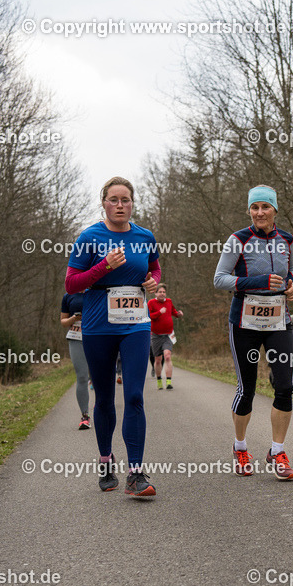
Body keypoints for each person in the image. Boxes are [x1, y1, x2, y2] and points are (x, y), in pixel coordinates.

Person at [65, 176, 160, 498]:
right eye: (114, 200)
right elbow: (71, 284)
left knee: (134, 396)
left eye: (125, 200)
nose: (120, 205)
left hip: (136, 324)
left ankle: (136, 473)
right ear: (103, 203)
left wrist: (152, 281)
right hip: (98, 325)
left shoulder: (145, 236)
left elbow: (155, 268)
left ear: (132, 203)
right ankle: (106, 461)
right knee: (104, 398)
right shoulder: (89, 237)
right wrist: (103, 267)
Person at [213, 185, 293, 480]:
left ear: (275, 209)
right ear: (249, 210)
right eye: (255, 207)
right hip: (244, 323)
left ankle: (277, 451)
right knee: (247, 389)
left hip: (279, 321)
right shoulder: (238, 239)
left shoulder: (288, 239)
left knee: (284, 386)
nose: (260, 212)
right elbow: (219, 279)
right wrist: (258, 281)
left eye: (265, 206)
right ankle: (240, 447)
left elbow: (292, 271)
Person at [60, 292, 91, 429]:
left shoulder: (97, 289)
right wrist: (74, 318)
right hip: (76, 337)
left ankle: (102, 408)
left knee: (99, 376)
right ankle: (85, 416)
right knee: (82, 377)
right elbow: (63, 321)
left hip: (96, 336)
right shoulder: (69, 295)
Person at [148, 283, 183, 389]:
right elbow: (149, 316)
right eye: (160, 292)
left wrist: (178, 314)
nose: (162, 294)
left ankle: (168, 382)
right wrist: (159, 312)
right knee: (158, 359)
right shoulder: (151, 303)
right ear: (155, 293)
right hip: (156, 336)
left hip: (168, 335)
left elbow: (173, 312)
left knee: (167, 356)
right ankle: (159, 380)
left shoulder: (169, 301)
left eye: (164, 292)